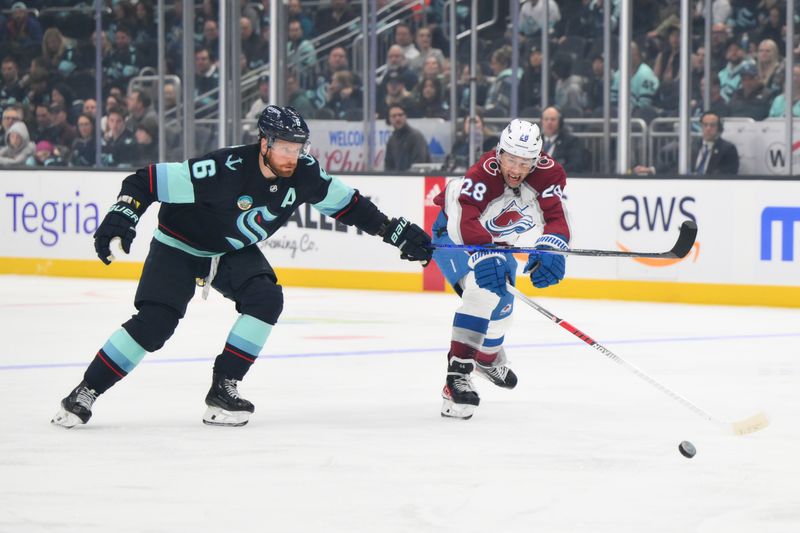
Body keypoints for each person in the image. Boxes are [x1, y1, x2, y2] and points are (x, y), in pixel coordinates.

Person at [51, 105, 432, 429]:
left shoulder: (304, 173)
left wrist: (392, 231)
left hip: (232, 250)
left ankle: (223, 389)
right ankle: (86, 391)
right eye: (283, 147)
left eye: (298, 148)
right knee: (155, 325)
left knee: (266, 299)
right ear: (264, 143)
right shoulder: (222, 169)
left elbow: (350, 205)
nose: (291, 156)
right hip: (179, 246)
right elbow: (144, 181)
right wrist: (123, 215)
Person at [431, 119, 571, 419]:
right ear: (499, 153)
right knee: (482, 292)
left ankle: (486, 359)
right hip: (452, 237)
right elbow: (463, 220)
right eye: (510, 159)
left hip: (501, 243)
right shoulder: (482, 176)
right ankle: (456, 377)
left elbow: (557, 217)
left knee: (504, 310)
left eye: (525, 162)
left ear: (537, 159)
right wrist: (482, 253)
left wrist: (552, 247)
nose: (516, 169)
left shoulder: (548, 175)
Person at [540, 106, 586, 173]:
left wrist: (552, 172)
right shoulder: (534, 142)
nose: (549, 122)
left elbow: (575, 165)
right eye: (546, 119)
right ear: (541, 121)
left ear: (560, 122)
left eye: (553, 119)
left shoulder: (571, 142)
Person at [384, 104, 430, 171]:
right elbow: (388, 165)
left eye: (400, 115)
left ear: (405, 116)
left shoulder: (416, 136)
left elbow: (418, 164)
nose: (397, 118)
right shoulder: (392, 140)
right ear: (389, 119)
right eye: (394, 116)